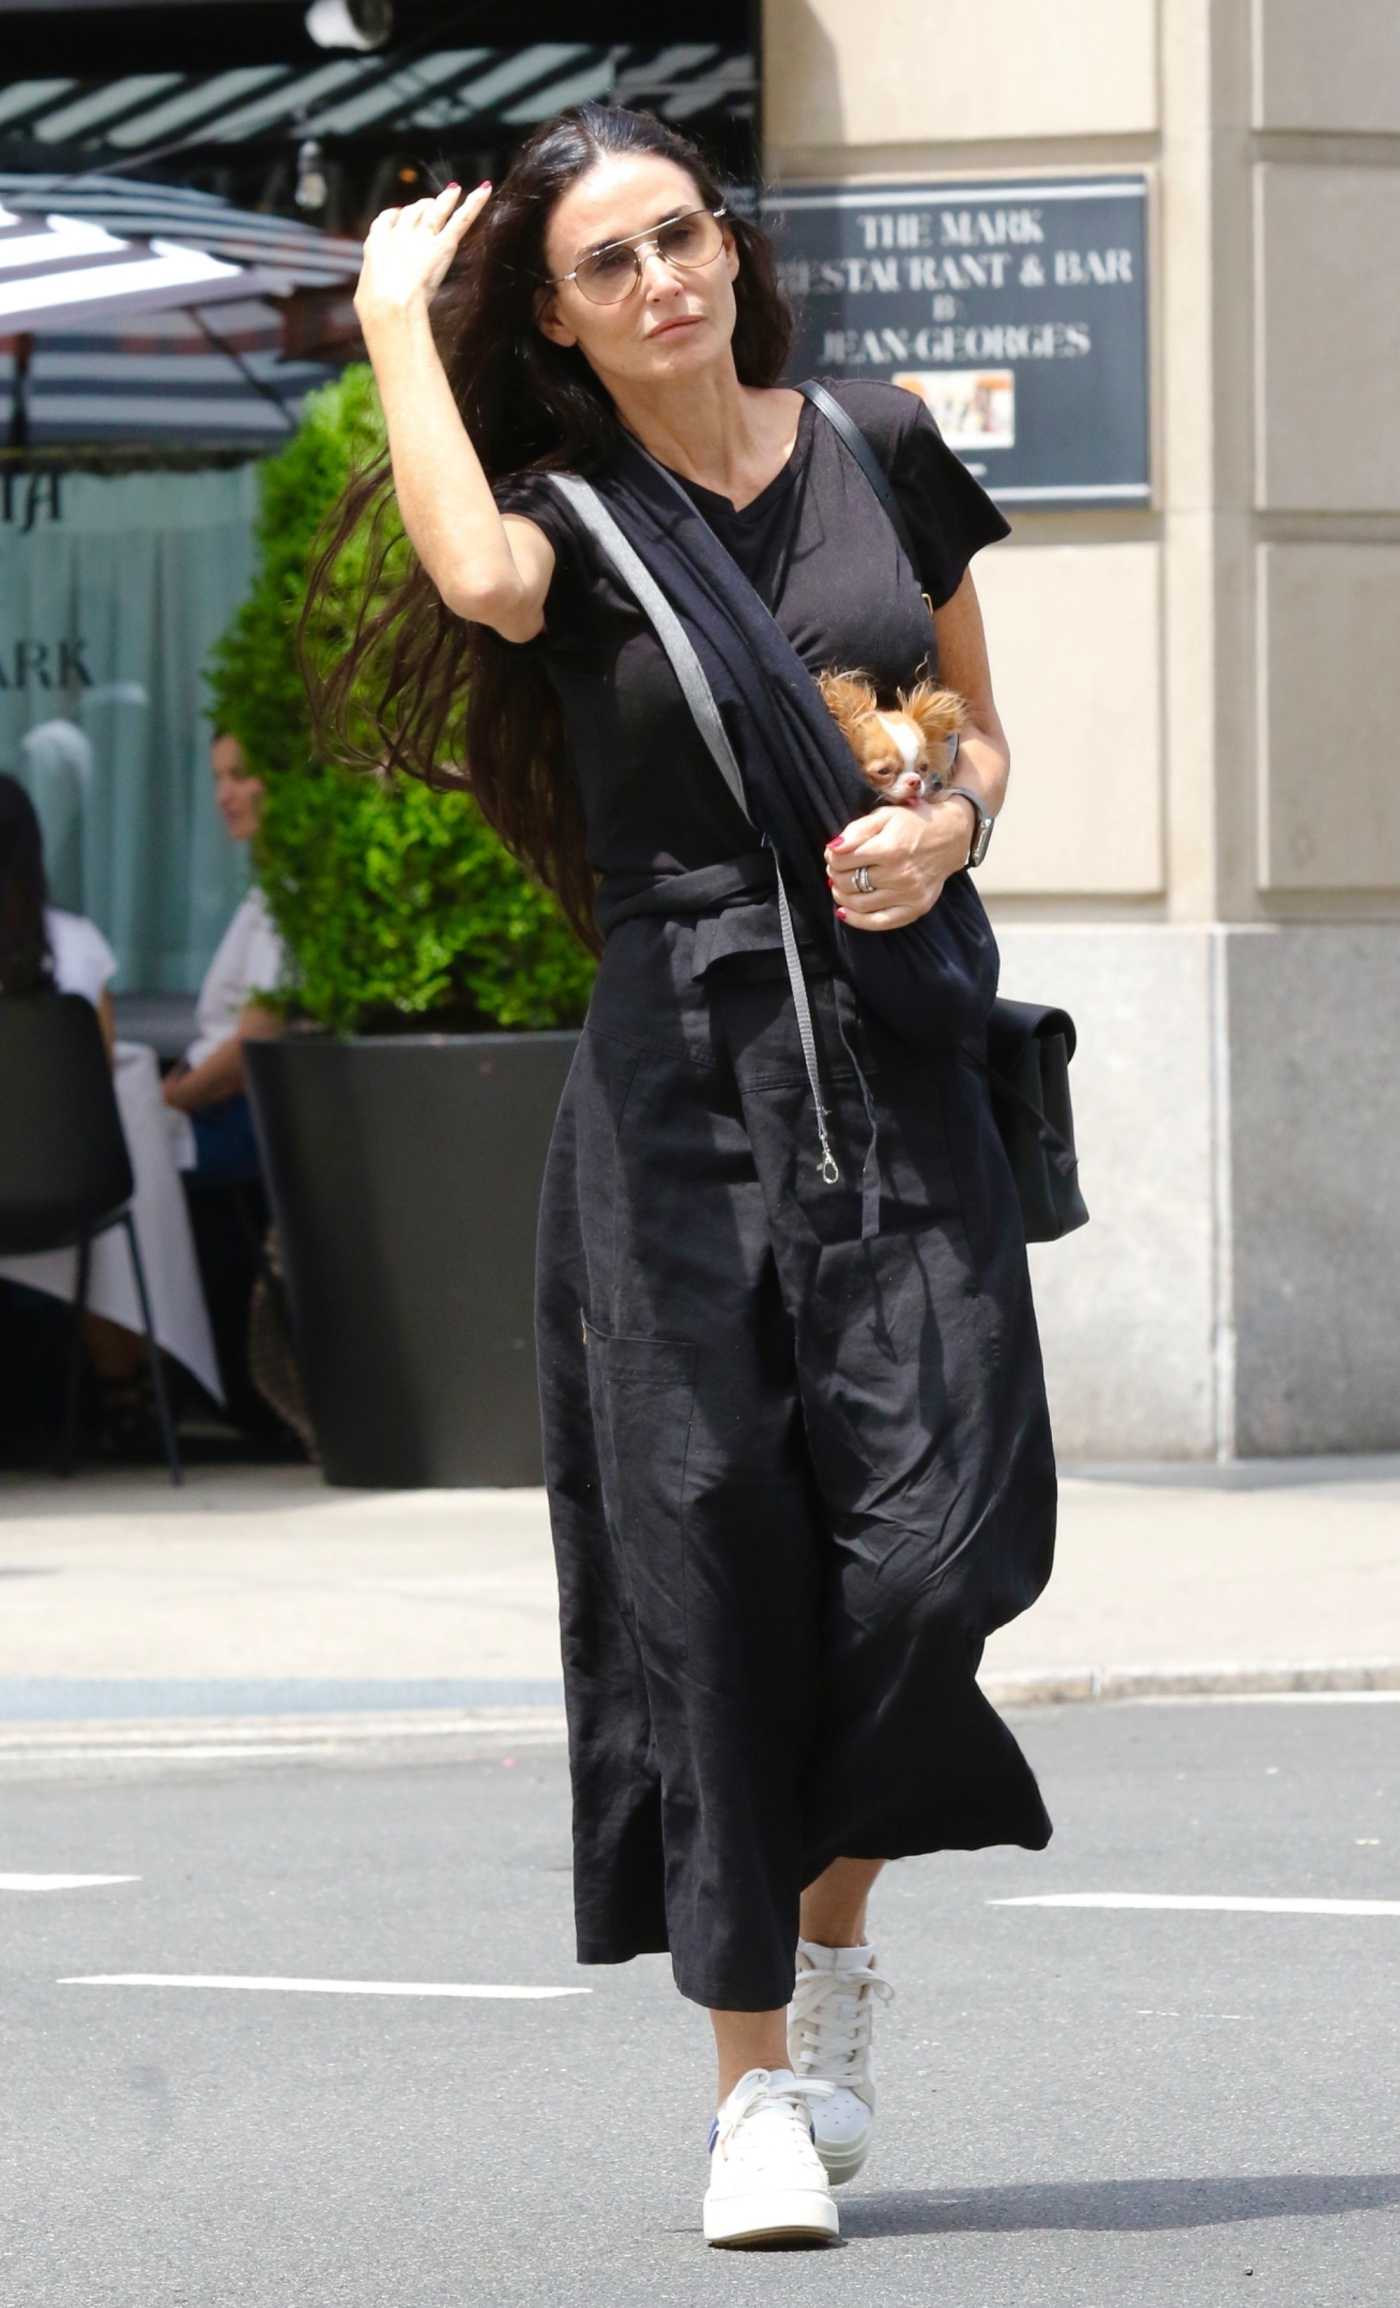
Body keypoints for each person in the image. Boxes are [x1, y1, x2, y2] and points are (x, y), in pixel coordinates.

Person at [309, 104, 1057, 2251]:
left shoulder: (874, 438)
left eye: (683, 237)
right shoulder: (567, 514)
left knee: (937, 1547)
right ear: (553, 322)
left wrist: (948, 822)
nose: (666, 280)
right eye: (611, 266)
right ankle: (750, 2085)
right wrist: (386, 320)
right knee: (710, 1555)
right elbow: (470, 576)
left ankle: (833, 1945)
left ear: (729, 248)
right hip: (675, 1095)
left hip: (897, 1059)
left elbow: (972, 720)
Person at [162, 729, 285, 1184]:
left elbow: (251, 1045)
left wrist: (168, 1102)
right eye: (218, 778)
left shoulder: (291, 893)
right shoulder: (269, 888)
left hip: (231, 1120)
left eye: (239, 775)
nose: (223, 796)